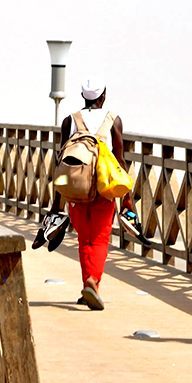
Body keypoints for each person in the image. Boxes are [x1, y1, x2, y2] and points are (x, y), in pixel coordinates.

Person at [40, 76, 141, 311]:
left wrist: (57, 202)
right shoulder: (113, 120)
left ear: (84, 96)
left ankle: (88, 287)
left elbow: (61, 162)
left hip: (75, 191)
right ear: (103, 96)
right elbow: (120, 159)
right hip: (103, 190)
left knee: (84, 240)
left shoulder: (69, 121)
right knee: (100, 238)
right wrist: (126, 198)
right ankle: (93, 283)